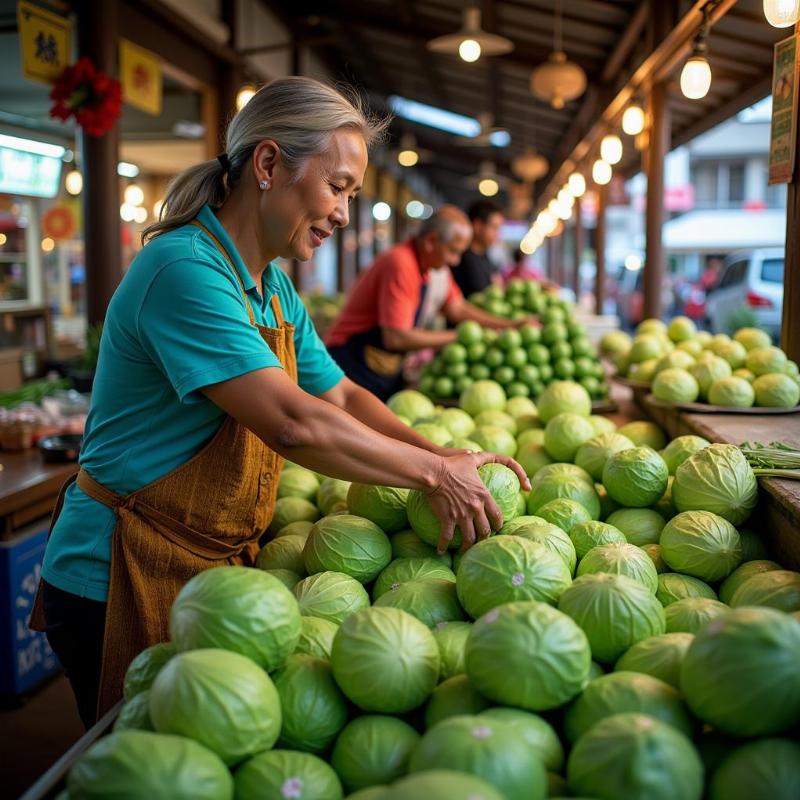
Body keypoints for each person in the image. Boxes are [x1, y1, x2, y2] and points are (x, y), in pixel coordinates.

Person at [32, 77, 529, 728]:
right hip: (120, 570)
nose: (345, 213)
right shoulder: (184, 271)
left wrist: (445, 454)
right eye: (338, 186)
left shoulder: (271, 289)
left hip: (207, 569)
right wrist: (434, 474)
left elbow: (343, 394)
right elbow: (293, 423)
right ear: (268, 164)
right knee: (146, 764)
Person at [325, 206, 529, 400]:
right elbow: (395, 337)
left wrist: (509, 325)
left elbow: (457, 308)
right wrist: (458, 336)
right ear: (431, 241)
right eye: (453, 251)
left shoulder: (434, 269)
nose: (456, 261)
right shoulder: (401, 264)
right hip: (350, 363)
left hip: (383, 365)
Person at [451, 199, 504, 297]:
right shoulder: (460, 259)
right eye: (494, 227)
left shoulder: (485, 257)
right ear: (477, 226)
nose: (498, 234)